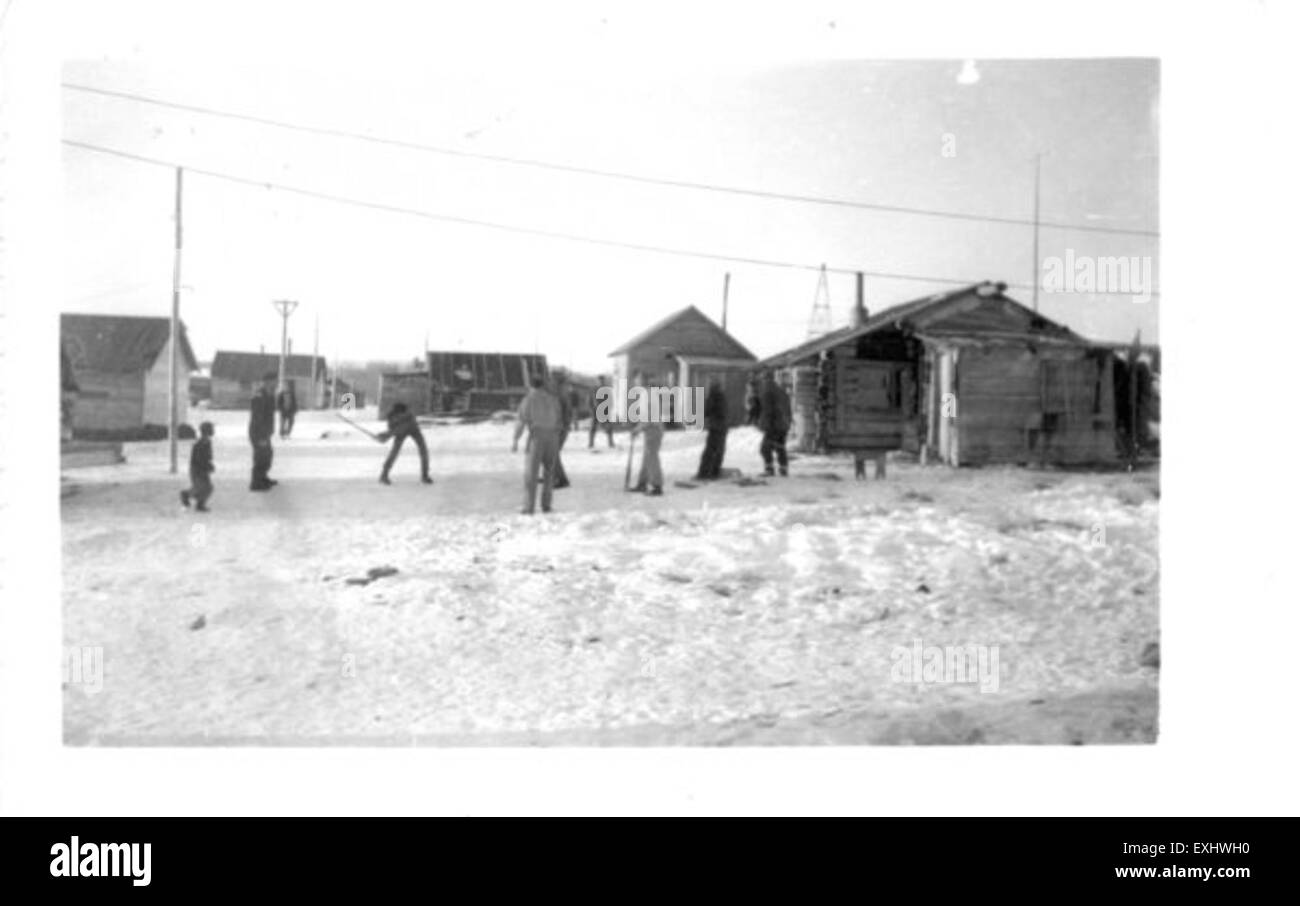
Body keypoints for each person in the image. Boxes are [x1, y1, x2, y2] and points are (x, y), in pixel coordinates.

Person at [512, 375, 563, 515]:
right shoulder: (553, 399)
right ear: (542, 385)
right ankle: (546, 505)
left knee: (531, 473)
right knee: (549, 473)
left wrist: (516, 439)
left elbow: (521, 421)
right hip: (552, 437)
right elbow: (559, 419)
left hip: (537, 437)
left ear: (531, 385)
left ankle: (529, 507)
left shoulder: (528, 399)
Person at [377, 402, 433, 485]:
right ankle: (384, 475)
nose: (398, 417)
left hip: (414, 430)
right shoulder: (391, 416)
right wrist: (386, 435)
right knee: (394, 452)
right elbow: (392, 428)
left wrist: (387, 435)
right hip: (400, 433)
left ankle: (425, 475)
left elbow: (401, 428)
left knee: (423, 451)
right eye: (397, 416)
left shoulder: (409, 416)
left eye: (400, 415)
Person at [628, 373, 664, 496]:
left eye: (638, 380)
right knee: (647, 457)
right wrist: (638, 428)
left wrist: (637, 429)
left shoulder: (648, 394)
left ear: (643, 381)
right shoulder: (645, 394)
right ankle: (642, 483)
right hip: (649, 428)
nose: (636, 382)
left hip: (653, 429)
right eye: (636, 380)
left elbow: (649, 417)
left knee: (651, 458)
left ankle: (657, 486)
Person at [758, 370, 792, 477]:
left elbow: (768, 410)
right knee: (780, 446)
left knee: (765, 448)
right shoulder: (781, 391)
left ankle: (769, 469)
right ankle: (783, 469)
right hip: (783, 425)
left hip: (774, 425)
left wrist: (765, 424)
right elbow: (788, 409)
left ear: (765, 379)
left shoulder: (767, 391)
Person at [694, 378, 729, 481]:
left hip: (715, 427)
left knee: (710, 450)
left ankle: (704, 473)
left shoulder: (713, 396)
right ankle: (714, 471)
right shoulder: (722, 396)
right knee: (719, 450)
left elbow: (706, 410)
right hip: (723, 426)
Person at [249, 373, 278, 491]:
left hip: (265, 432)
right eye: (274, 381)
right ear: (267, 382)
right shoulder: (260, 395)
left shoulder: (269, 395)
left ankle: (263, 477)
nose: (276, 384)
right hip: (258, 432)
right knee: (260, 458)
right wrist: (261, 436)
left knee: (267, 456)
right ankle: (256, 483)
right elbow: (257, 417)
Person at [180, 421, 216, 512]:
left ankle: (200, 504)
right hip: (197, 469)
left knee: (208, 487)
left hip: (203, 469)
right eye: (211, 429)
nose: (213, 431)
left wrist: (209, 465)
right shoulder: (199, 443)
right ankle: (186, 495)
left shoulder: (207, 442)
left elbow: (207, 457)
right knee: (200, 487)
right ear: (207, 431)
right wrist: (207, 466)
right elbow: (199, 459)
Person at [553, 375, 571, 489]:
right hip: (559, 428)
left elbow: (565, 414)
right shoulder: (559, 394)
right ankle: (556, 476)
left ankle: (562, 479)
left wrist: (563, 426)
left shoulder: (561, 396)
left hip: (560, 429)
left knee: (553, 454)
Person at [588, 374, 616, 449]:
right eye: (599, 380)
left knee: (608, 427)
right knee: (593, 427)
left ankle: (611, 442)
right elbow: (590, 400)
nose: (601, 382)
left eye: (602, 380)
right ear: (597, 381)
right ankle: (591, 443)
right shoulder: (593, 389)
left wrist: (609, 409)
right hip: (595, 411)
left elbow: (610, 400)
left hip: (604, 411)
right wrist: (591, 409)